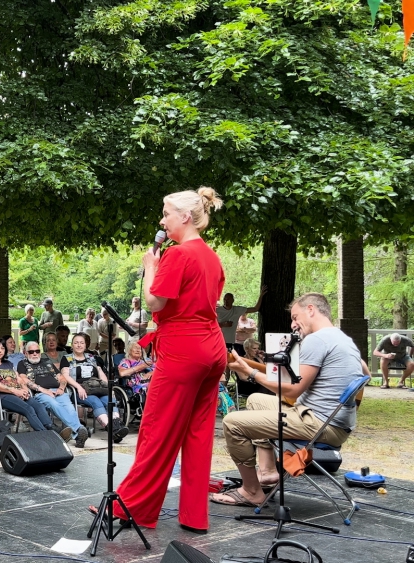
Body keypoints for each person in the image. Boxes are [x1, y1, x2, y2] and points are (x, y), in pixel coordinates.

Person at [105, 187, 227, 534]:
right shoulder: (211, 256)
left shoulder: (177, 254)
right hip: (211, 347)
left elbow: (156, 302)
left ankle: (132, 508)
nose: (162, 220)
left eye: (166, 213)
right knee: (199, 433)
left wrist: (150, 267)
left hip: (184, 348)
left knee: (157, 428)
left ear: (185, 218)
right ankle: (193, 515)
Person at [218, 293, 369, 509]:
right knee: (255, 400)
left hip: (320, 424)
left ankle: (251, 492)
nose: (293, 324)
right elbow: (364, 371)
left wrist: (250, 373)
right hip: (334, 420)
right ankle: (268, 472)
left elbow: (292, 390)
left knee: (232, 422)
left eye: (295, 317)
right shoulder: (343, 339)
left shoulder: (318, 340)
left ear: (310, 309)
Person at [0, 338, 72, 443]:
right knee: (28, 409)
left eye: (2, 348)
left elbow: (19, 379)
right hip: (1, 397)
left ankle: (52, 428)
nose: (0, 351)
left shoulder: (8, 364)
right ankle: (45, 435)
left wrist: (24, 390)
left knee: (38, 406)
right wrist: (15, 391)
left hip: (17, 394)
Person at [61, 334, 128, 442]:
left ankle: (116, 428)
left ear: (85, 345)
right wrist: (79, 387)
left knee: (111, 400)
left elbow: (101, 373)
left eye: (81, 343)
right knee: (96, 401)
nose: (79, 345)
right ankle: (113, 430)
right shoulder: (67, 358)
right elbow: (65, 376)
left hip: (97, 388)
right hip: (81, 390)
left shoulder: (91, 358)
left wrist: (109, 388)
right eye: (76, 343)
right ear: (72, 345)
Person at [17, 341, 85, 445]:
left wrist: (61, 388)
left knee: (70, 408)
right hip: (40, 394)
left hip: (57, 391)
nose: (35, 354)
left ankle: (79, 438)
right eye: (31, 352)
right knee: (54, 404)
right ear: (26, 353)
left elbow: (61, 377)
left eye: (37, 351)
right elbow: (24, 379)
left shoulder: (47, 361)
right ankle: (78, 429)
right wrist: (43, 390)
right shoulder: (22, 363)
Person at [216, 288, 266, 355]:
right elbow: (209, 324)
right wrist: (223, 324)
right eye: (224, 299)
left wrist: (261, 295)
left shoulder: (237, 310)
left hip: (230, 341)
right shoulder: (217, 310)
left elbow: (255, 309)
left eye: (228, 299)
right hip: (218, 340)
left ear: (232, 300)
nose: (226, 301)